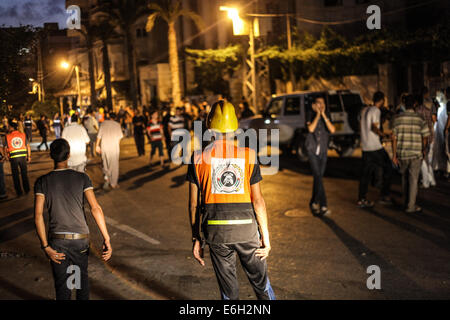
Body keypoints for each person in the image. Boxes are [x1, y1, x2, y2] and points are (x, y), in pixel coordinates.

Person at [186, 100, 275, 300]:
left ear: (209, 126)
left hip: (216, 232)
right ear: (235, 126)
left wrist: (196, 238)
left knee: (229, 293)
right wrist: (265, 238)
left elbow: (193, 204)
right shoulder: (249, 155)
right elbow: (258, 201)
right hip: (247, 230)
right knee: (262, 286)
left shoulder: (198, 158)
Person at [34, 138, 112, 300]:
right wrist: (106, 238)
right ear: (68, 155)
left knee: (63, 287)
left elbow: (38, 216)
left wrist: (45, 246)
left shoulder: (42, 182)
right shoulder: (82, 178)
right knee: (80, 282)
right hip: (79, 241)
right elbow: (96, 208)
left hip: (57, 242)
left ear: (51, 155)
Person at [392, 95, 430, 213]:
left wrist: (394, 155)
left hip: (402, 153)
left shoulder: (397, 119)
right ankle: (411, 206)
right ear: (414, 105)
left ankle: (406, 201)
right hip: (415, 154)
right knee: (413, 180)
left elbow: (394, 138)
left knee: (404, 179)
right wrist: (423, 149)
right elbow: (425, 136)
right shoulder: (420, 119)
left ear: (404, 104)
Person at [358, 91, 393, 208]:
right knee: (388, 167)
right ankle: (385, 195)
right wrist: (384, 135)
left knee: (365, 174)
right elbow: (374, 127)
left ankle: (361, 199)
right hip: (375, 147)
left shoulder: (364, 110)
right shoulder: (376, 110)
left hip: (365, 147)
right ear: (382, 100)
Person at [305, 96, 336, 216]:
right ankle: (323, 205)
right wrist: (318, 115)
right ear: (314, 105)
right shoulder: (310, 114)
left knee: (318, 178)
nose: (321, 105)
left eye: (322, 103)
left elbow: (332, 130)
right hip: (312, 150)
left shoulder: (327, 116)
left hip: (323, 151)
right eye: (318, 103)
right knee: (318, 175)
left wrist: (323, 115)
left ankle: (313, 201)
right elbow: (311, 129)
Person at [416, 87, 438, 188]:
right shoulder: (430, 107)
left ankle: (426, 181)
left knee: (423, 159)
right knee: (427, 158)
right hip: (430, 134)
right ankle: (431, 180)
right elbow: (434, 120)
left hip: (422, 136)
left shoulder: (418, 110)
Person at [96, 112, 123, 190]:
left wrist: (97, 146)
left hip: (104, 147)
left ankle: (107, 178)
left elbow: (99, 136)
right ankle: (113, 183)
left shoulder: (103, 124)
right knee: (114, 166)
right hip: (114, 148)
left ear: (108, 117)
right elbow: (119, 138)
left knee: (105, 164)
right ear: (115, 118)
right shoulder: (117, 125)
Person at [5, 122, 31, 197]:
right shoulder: (23, 135)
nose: (8, 128)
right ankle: (27, 189)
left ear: (12, 128)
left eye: (9, 127)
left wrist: (6, 156)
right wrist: (29, 156)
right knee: (24, 174)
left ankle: (19, 192)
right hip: (23, 157)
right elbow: (28, 146)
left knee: (15, 175)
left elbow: (5, 148)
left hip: (13, 158)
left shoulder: (8, 136)